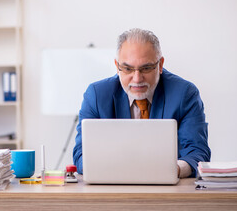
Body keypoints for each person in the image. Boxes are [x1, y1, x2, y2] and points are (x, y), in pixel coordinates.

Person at [73, 28, 211, 178]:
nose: (137, 78)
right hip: (111, 190)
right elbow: (81, 155)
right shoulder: (96, 95)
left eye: (145, 68)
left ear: (160, 65)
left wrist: (172, 171)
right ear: (117, 66)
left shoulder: (184, 94)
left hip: (167, 192)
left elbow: (197, 153)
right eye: (127, 69)